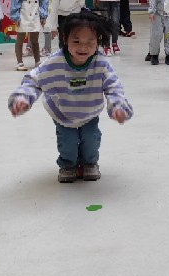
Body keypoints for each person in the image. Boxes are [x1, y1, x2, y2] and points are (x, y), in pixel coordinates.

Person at [8, 11, 132, 183]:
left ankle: (89, 163)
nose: (83, 47)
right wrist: (23, 98)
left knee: (91, 139)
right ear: (65, 39)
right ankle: (67, 165)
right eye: (76, 41)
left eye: (90, 42)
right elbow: (34, 80)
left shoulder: (101, 63)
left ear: (98, 41)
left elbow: (113, 87)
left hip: (89, 111)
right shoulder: (55, 62)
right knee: (67, 142)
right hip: (63, 112)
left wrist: (118, 106)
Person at [9, 0, 49, 71]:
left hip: (36, 14)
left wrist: (43, 15)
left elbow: (44, 1)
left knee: (35, 40)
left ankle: (37, 61)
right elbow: (15, 2)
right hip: (23, 14)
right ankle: (20, 62)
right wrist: (16, 16)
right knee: (20, 39)